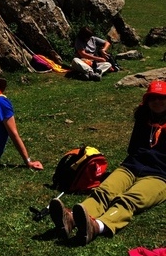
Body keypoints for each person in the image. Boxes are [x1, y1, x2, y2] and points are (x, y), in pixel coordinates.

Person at [49, 80, 166, 246]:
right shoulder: (143, 119)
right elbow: (132, 148)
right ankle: (71, 219)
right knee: (104, 191)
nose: (157, 102)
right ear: (147, 101)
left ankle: (97, 226)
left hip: (159, 175)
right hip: (131, 167)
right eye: (153, 98)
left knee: (129, 200)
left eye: (162, 98)